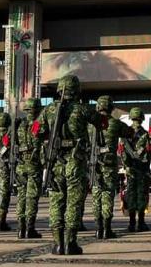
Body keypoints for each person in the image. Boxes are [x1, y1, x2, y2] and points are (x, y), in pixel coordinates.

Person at [42, 75, 108, 255]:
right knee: (73, 202)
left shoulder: (49, 110)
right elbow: (102, 122)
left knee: (56, 201)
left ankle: (57, 244)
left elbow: (37, 131)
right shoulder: (81, 109)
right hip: (75, 161)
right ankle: (70, 243)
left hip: (55, 162)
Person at [89, 95, 131, 240]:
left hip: (94, 164)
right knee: (107, 195)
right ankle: (106, 229)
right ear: (111, 108)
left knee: (96, 195)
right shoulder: (115, 123)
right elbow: (129, 132)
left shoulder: (90, 125)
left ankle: (98, 229)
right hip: (109, 165)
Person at [120, 107, 151, 233]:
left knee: (130, 195)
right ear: (142, 118)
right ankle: (141, 223)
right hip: (142, 170)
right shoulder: (145, 135)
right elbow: (150, 151)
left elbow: (121, 152)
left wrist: (127, 165)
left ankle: (131, 223)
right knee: (142, 195)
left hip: (130, 170)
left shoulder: (125, 135)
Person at [14, 98, 45, 238]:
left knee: (21, 197)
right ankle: (29, 228)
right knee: (31, 197)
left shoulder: (19, 125)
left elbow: (7, 142)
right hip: (33, 165)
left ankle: (21, 228)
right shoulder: (39, 124)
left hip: (20, 165)